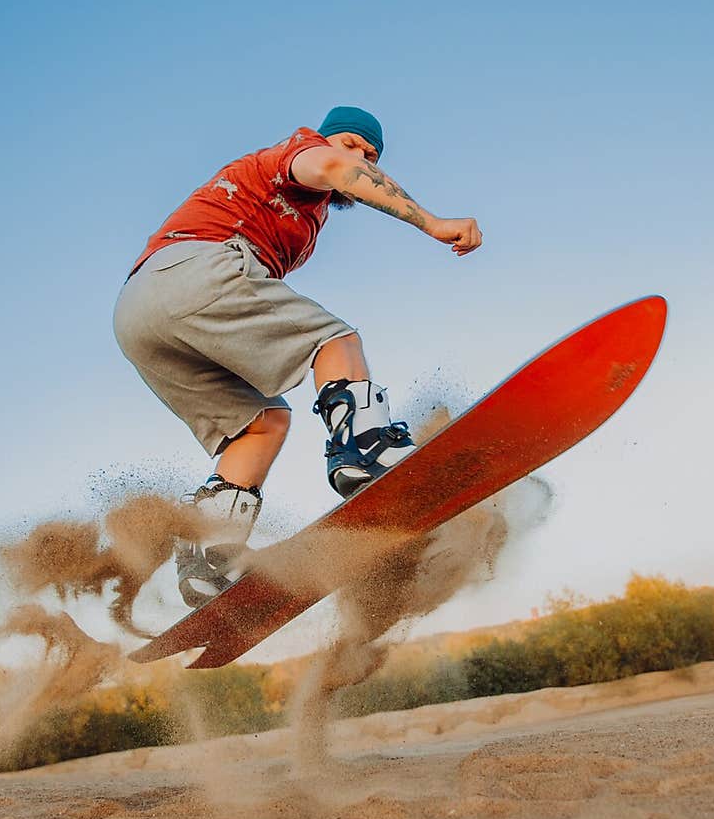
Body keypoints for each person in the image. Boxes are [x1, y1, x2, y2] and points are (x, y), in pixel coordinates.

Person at [113, 106, 482, 606]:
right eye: (353, 144)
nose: (362, 159)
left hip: (140, 314)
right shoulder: (300, 152)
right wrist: (433, 222)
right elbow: (329, 166)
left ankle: (207, 556)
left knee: (261, 422)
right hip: (195, 270)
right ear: (328, 137)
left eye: (371, 155)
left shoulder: (307, 213)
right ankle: (364, 450)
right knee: (335, 342)